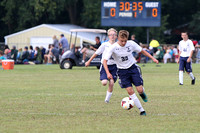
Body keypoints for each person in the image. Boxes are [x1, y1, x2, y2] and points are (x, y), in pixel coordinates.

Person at [103, 30, 159, 116]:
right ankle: (142, 110)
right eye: (122, 41)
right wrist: (107, 73)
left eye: (125, 41)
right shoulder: (113, 47)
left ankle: (142, 93)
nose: (123, 43)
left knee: (139, 89)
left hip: (133, 68)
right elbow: (104, 61)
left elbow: (142, 51)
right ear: (118, 38)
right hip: (122, 72)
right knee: (130, 91)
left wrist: (153, 58)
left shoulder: (131, 44)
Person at [85, 28, 118, 103]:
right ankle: (105, 77)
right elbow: (96, 53)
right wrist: (89, 61)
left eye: (114, 35)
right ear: (108, 36)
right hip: (105, 65)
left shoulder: (118, 45)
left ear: (116, 36)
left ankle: (107, 100)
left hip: (114, 67)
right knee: (104, 83)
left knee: (112, 83)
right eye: (111, 35)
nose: (112, 36)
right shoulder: (105, 45)